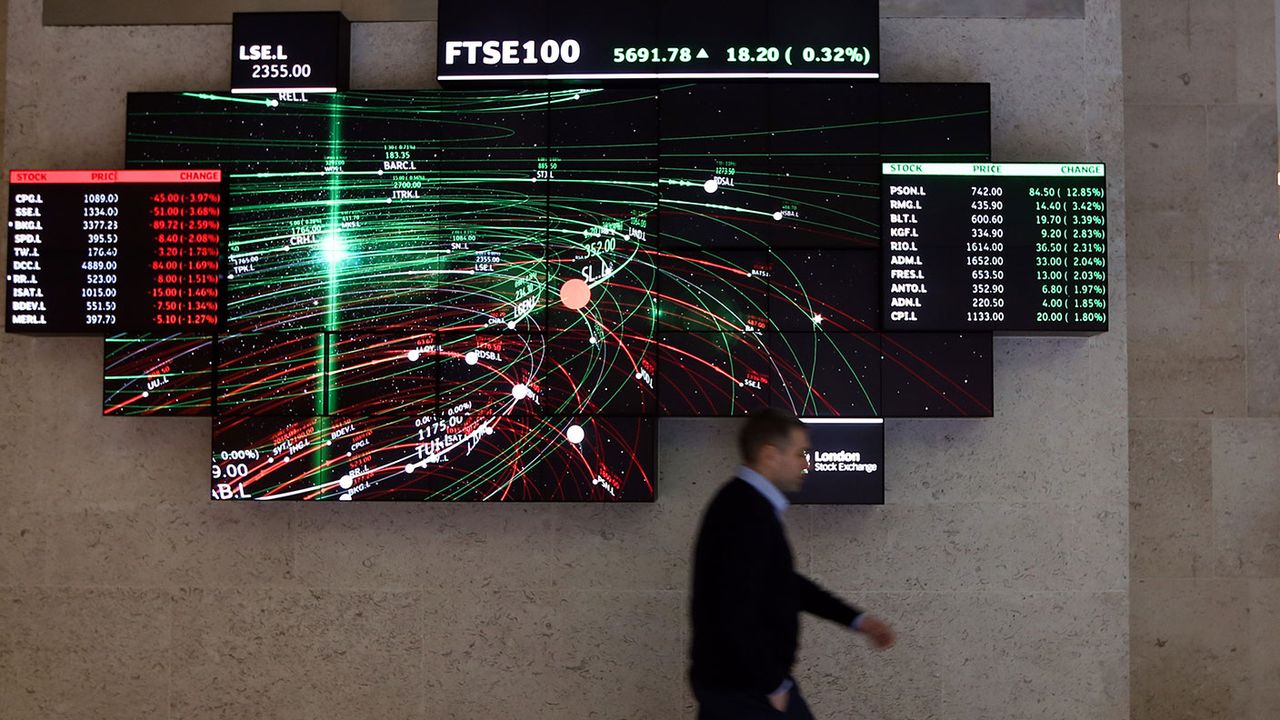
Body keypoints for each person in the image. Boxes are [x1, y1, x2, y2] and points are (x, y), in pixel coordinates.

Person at [689, 407, 895, 719]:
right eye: (801, 454)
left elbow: (781, 584)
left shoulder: (748, 506)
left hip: (741, 685)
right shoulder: (743, 513)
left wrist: (857, 620)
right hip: (744, 689)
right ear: (770, 455)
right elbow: (732, 609)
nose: (807, 464)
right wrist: (773, 686)